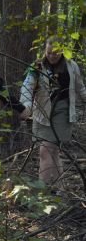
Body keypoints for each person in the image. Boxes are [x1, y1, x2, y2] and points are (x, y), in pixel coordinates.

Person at [20, 36, 86, 185]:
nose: (52, 56)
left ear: (62, 51)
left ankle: (42, 192)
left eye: (55, 53)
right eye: (49, 53)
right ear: (45, 50)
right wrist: (26, 106)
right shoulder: (37, 66)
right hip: (42, 112)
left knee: (46, 151)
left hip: (62, 112)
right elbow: (27, 86)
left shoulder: (71, 65)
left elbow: (80, 87)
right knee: (52, 151)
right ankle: (59, 188)